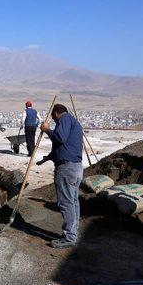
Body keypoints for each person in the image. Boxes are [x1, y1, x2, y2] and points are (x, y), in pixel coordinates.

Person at [39, 104, 84, 248]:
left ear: (57, 113)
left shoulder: (64, 119)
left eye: (54, 118)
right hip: (75, 167)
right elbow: (65, 147)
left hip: (66, 168)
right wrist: (49, 157)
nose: (54, 121)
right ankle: (73, 232)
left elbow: (59, 138)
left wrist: (47, 130)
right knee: (73, 201)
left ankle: (69, 237)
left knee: (66, 203)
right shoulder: (74, 123)